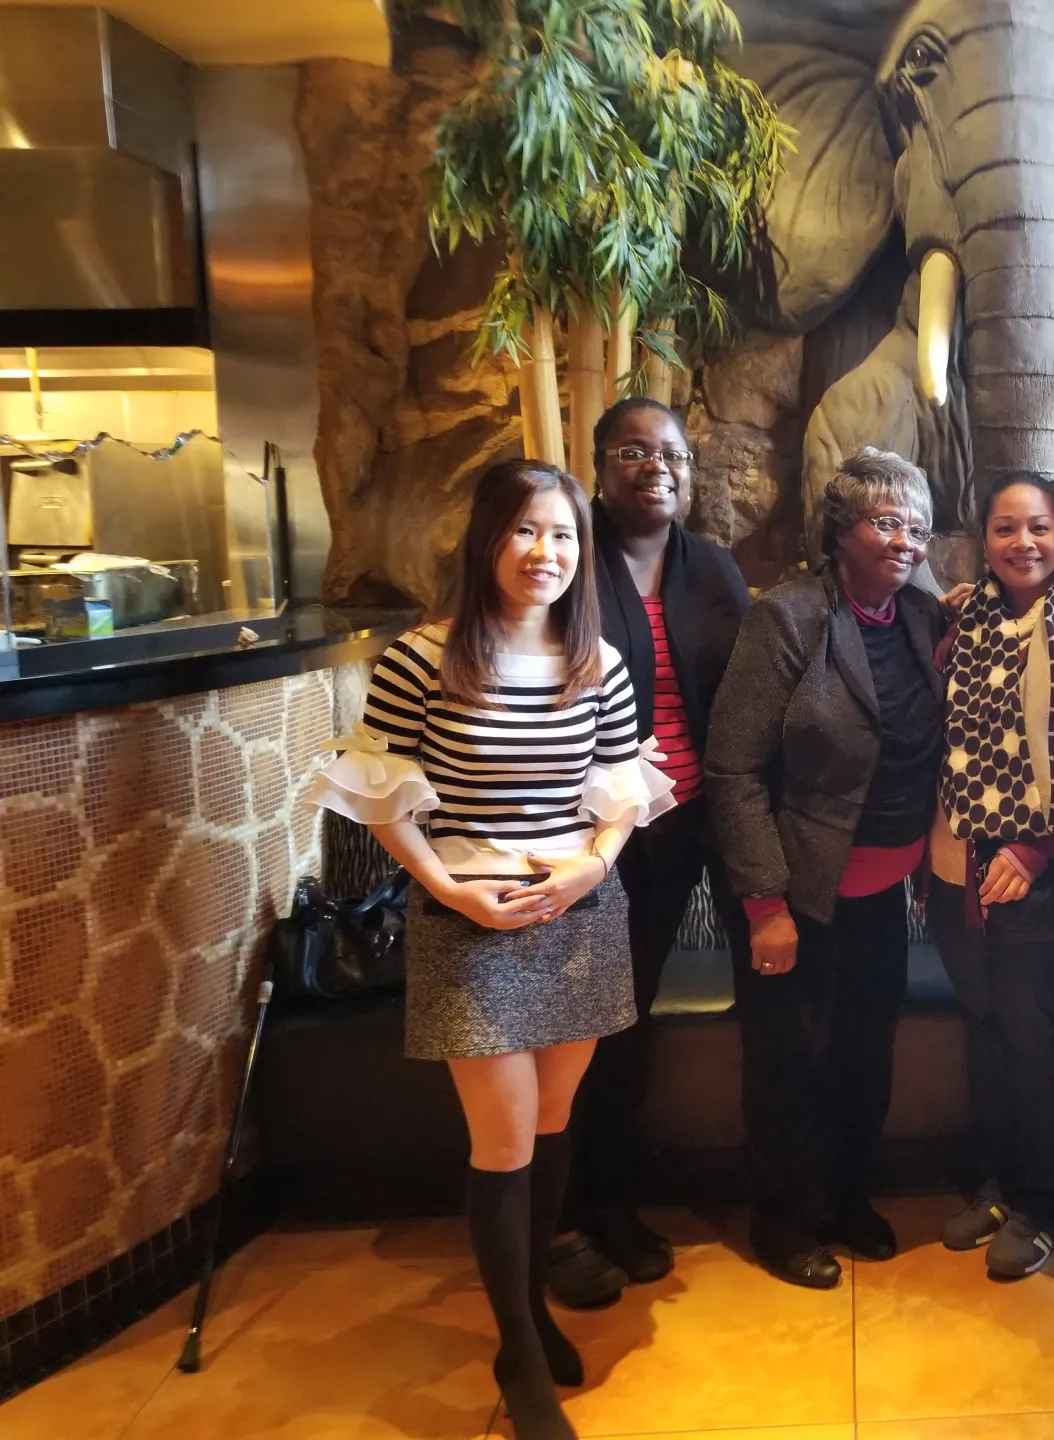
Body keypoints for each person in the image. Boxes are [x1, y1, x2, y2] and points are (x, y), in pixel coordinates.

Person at [304, 459, 675, 1440]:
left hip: (578, 915)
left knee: (552, 1123)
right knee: (503, 1140)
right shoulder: (421, 659)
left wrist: (593, 867)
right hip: (470, 919)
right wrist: (444, 887)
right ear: (486, 540)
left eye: (562, 535)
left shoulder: (597, 662)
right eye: (524, 531)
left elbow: (621, 788)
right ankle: (518, 1352)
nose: (545, 553)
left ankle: (531, 1314)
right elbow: (379, 794)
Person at [705, 448, 946, 1289]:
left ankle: (847, 1199)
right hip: (799, 893)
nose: (906, 540)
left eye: (917, 526)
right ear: (840, 532)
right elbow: (732, 769)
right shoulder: (788, 618)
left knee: (864, 1059)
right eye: (886, 523)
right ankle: (782, 1222)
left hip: (884, 892)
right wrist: (765, 905)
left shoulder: (921, 614)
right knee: (790, 1066)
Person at [551, 398, 755, 1308]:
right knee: (604, 1027)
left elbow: (748, 692)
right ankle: (587, 1213)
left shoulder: (712, 567)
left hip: (697, 820)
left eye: (672, 453)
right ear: (599, 464)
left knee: (739, 1002)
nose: (657, 467)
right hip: (601, 835)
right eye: (634, 451)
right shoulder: (568, 562)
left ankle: (638, 1200)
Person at [932, 471, 1054, 1280]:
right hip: (958, 869)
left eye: (1038, 526)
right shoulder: (965, 626)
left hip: (1045, 877)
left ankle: (1049, 1204)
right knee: (991, 1034)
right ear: (984, 540)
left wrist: (1034, 850)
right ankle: (1001, 1184)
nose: (1023, 543)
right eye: (1005, 528)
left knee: (1043, 1043)